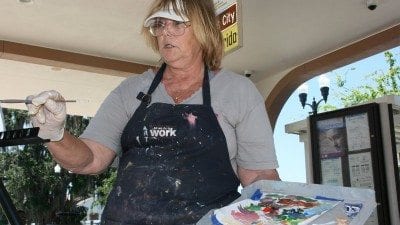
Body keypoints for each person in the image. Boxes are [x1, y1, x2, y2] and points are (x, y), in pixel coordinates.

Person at [26, 0, 280, 224]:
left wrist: (285, 212)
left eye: (177, 24)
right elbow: (90, 159)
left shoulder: (237, 91)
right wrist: (54, 133)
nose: (165, 31)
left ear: (204, 29)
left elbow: (258, 176)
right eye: (160, 24)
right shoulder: (130, 91)